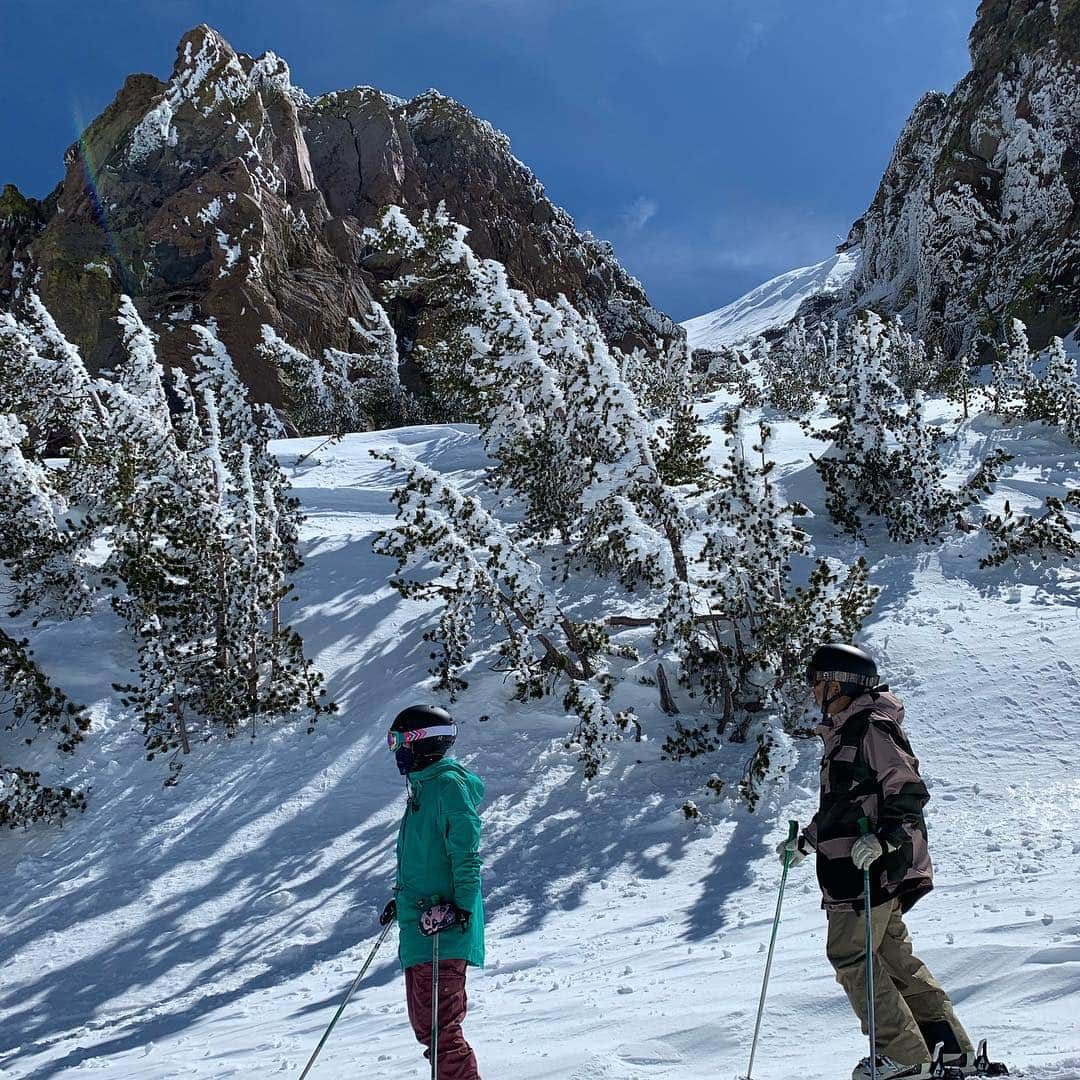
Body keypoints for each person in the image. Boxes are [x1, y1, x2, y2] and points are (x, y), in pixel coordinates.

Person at [777, 643, 975, 1080]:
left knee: (852, 958)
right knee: (893, 960)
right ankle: (950, 1053)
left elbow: (908, 790)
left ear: (841, 684)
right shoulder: (845, 732)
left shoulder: (871, 728)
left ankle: (904, 1057)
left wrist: (886, 840)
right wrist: (808, 842)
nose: (812, 692)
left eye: (818, 682)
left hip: (868, 874)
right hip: (854, 869)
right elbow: (844, 807)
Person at [380, 704, 485, 1079]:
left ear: (423, 743)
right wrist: (403, 900)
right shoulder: (423, 790)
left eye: (400, 741)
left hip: (443, 930)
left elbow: (466, 856)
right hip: (420, 925)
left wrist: (460, 909)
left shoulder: (447, 787)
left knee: (441, 1032)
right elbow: (427, 860)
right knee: (430, 1030)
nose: (396, 750)